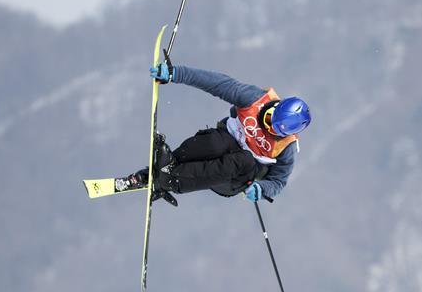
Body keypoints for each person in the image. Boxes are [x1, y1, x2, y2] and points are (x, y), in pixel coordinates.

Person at [117, 59, 312, 206]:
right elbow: (218, 84)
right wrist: (175, 73)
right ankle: (158, 172)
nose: (269, 127)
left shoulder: (286, 148)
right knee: (218, 142)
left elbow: (278, 181)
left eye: (276, 130)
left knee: (243, 159)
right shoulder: (255, 99)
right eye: (270, 118)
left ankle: (172, 181)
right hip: (222, 143)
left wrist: (261, 189)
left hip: (233, 178)